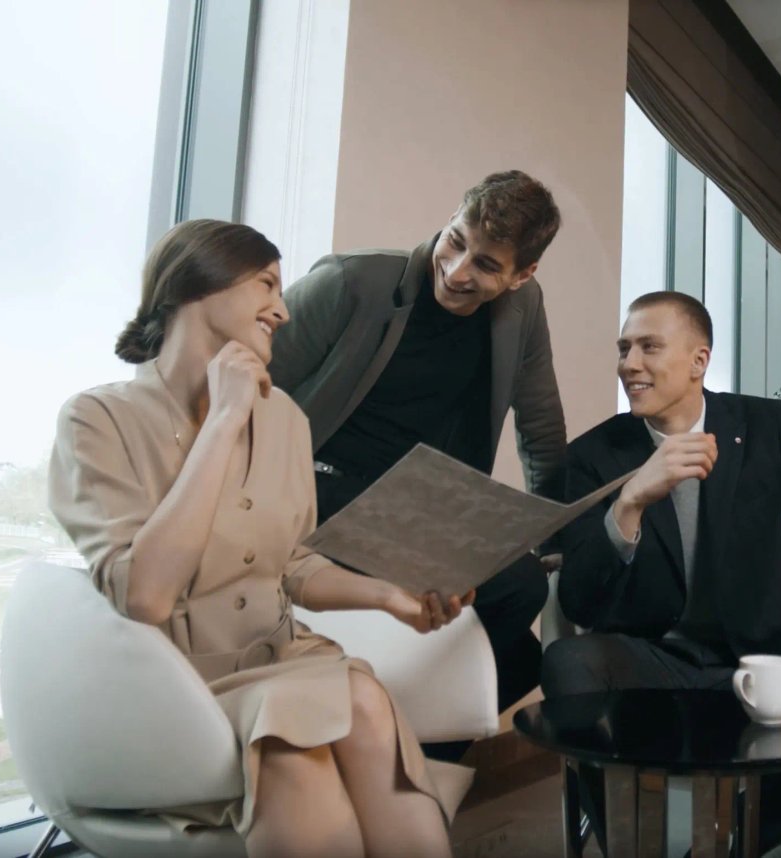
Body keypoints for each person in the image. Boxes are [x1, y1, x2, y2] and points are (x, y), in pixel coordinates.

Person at [49, 219, 469, 858]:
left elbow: (292, 562)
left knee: (364, 699)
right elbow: (146, 596)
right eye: (267, 284)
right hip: (177, 685)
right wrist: (224, 418)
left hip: (285, 658)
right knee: (296, 751)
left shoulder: (286, 420)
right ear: (197, 283)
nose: (283, 309)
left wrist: (389, 597)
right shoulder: (97, 419)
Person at [543, 291, 781, 851]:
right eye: (623, 349)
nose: (629, 364)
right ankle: (630, 844)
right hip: (651, 664)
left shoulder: (767, 427)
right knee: (568, 661)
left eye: (648, 347)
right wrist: (629, 503)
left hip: (760, 664)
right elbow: (578, 603)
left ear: (699, 361)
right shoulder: (595, 454)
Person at [269, 171, 564, 738]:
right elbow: (248, 376)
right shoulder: (351, 281)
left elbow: (542, 426)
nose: (457, 271)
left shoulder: (524, 309)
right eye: (455, 241)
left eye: (486, 264)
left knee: (526, 649)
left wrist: (552, 539)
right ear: (450, 218)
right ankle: (389, 754)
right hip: (319, 487)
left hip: (415, 506)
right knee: (517, 590)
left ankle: (397, 750)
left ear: (522, 274)